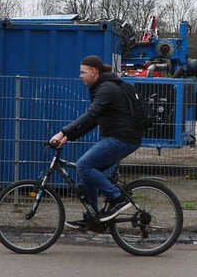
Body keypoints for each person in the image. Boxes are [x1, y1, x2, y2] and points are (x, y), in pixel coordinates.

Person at [49, 55, 143, 230]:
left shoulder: (107, 88)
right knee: (88, 173)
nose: (80, 76)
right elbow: (94, 120)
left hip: (122, 138)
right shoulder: (102, 86)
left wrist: (62, 131)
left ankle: (117, 199)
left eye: (82, 72)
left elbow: (91, 115)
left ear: (94, 71)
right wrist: (68, 137)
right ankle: (92, 218)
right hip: (120, 137)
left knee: (83, 166)